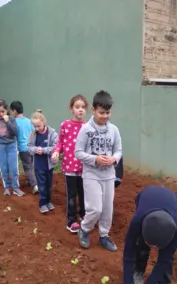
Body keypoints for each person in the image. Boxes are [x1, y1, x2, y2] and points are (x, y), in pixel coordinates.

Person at [75, 90, 123, 252]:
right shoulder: (86, 129)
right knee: (95, 208)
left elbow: (119, 151)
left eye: (108, 112)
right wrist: (95, 159)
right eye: (101, 112)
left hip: (109, 175)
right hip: (91, 175)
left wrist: (114, 159)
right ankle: (85, 229)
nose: (105, 116)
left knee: (107, 209)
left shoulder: (114, 130)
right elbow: (78, 153)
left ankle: (104, 236)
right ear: (93, 110)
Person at [118, 185, 177, 284]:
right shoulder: (138, 220)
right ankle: (139, 270)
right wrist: (127, 281)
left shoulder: (175, 228)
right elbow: (129, 248)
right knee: (141, 244)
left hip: (171, 200)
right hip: (145, 196)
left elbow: (165, 258)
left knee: (168, 256)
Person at [51, 94, 88, 233]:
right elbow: (60, 142)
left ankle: (84, 215)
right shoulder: (65, 125)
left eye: (83, 107)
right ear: (71, 109)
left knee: (84, 193)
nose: (80, 110)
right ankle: (71, 220)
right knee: (71, 195)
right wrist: (56, 151)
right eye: (77, 107)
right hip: (70, 167)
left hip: (85, 168)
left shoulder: (88, 127)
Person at [27, 110, 59, 213]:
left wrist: (44, 150)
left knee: (48, 184)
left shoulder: (52, 133)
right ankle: (42, 204)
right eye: (34, 126)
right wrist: (35, 149)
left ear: (44, 122)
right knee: (41, 185)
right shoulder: (32, 134)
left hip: (49, 164)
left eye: (38, 126)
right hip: (38, 164)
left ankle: (48, 202)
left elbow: (56, 147)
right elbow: (29, 147)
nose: (36, 128)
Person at [0, 100, 23, 196]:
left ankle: (16, 188)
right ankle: (7, 188)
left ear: (6, 110)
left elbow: (15, 132)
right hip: (0, 146)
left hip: (11, 146)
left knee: (13, 168)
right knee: (3, 168)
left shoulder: (12, 119)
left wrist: (7, 121)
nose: (0, 114)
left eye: (2, 111)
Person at [11, 101, 38, 193]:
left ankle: (35, 185)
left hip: (23, 148)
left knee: (27, 167)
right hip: (32, 147)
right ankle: (30, 180)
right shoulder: (29, 121)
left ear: (14, 111)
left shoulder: (14, 122)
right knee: (32, 165)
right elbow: (34, 133)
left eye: (12, 111)